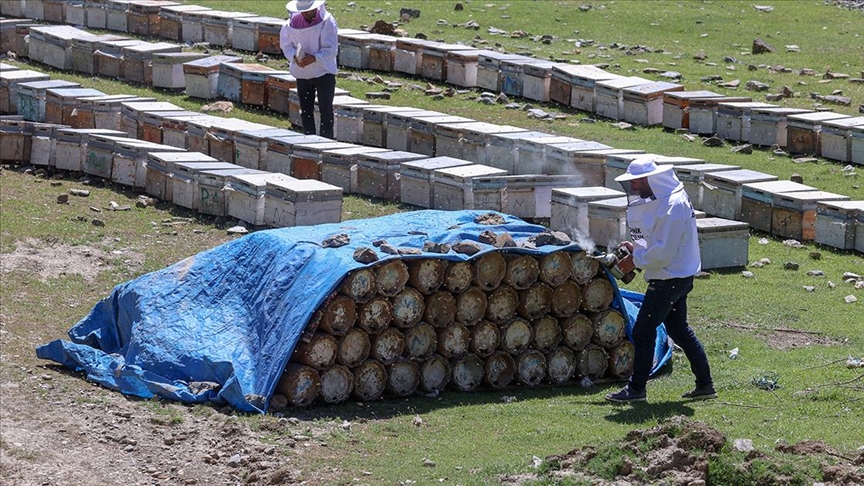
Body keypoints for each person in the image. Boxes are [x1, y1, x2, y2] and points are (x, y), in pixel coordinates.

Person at [604, 156, 716, 403]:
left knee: (643, 330)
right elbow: (655, 239)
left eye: (637, 181)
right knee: (679, 330)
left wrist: (635, 260)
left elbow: (664, 253)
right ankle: (705, 385)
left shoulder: (673, 205)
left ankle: (636, 390)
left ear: (652, 178)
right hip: (674, 275)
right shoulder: (663, 202)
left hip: (670, 278)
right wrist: (636, 248)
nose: (633, 187)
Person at [280, 0, 338, 139]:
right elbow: (286, 45)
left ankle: (326, 142)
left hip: (324, 71)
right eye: (303, 10)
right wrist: (294, 57)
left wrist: (315, 58)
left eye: (308, 10)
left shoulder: (327, 21)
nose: (306, 13)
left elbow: (331, 49)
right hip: (302, 73)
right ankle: (308, 142)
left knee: (326, 110)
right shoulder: (290, 25)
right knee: (306, 110)